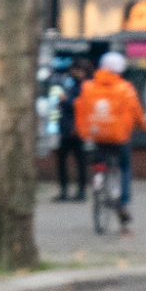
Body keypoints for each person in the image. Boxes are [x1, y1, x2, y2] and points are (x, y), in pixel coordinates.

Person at [76, 51, 145, 230]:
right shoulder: (125, 88)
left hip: (95, 134)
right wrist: (143, 126)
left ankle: (98, 181)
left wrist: (82, 130)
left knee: (99, 161)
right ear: (120, 70)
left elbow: (80, 108)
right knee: (123, 168)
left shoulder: (88, 86)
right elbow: (136, 111)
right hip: (119, 137)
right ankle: (122, 202)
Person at [50, 63, 88, 201]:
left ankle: (79, 192)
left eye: (74, 70)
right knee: (69, 161)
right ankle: (68, 191)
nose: (72, 73)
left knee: (78, 161)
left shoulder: (83, 86)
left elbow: (77, 104)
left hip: (75, 129)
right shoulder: (73, 85)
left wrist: (64, 100)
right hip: (68, 129)